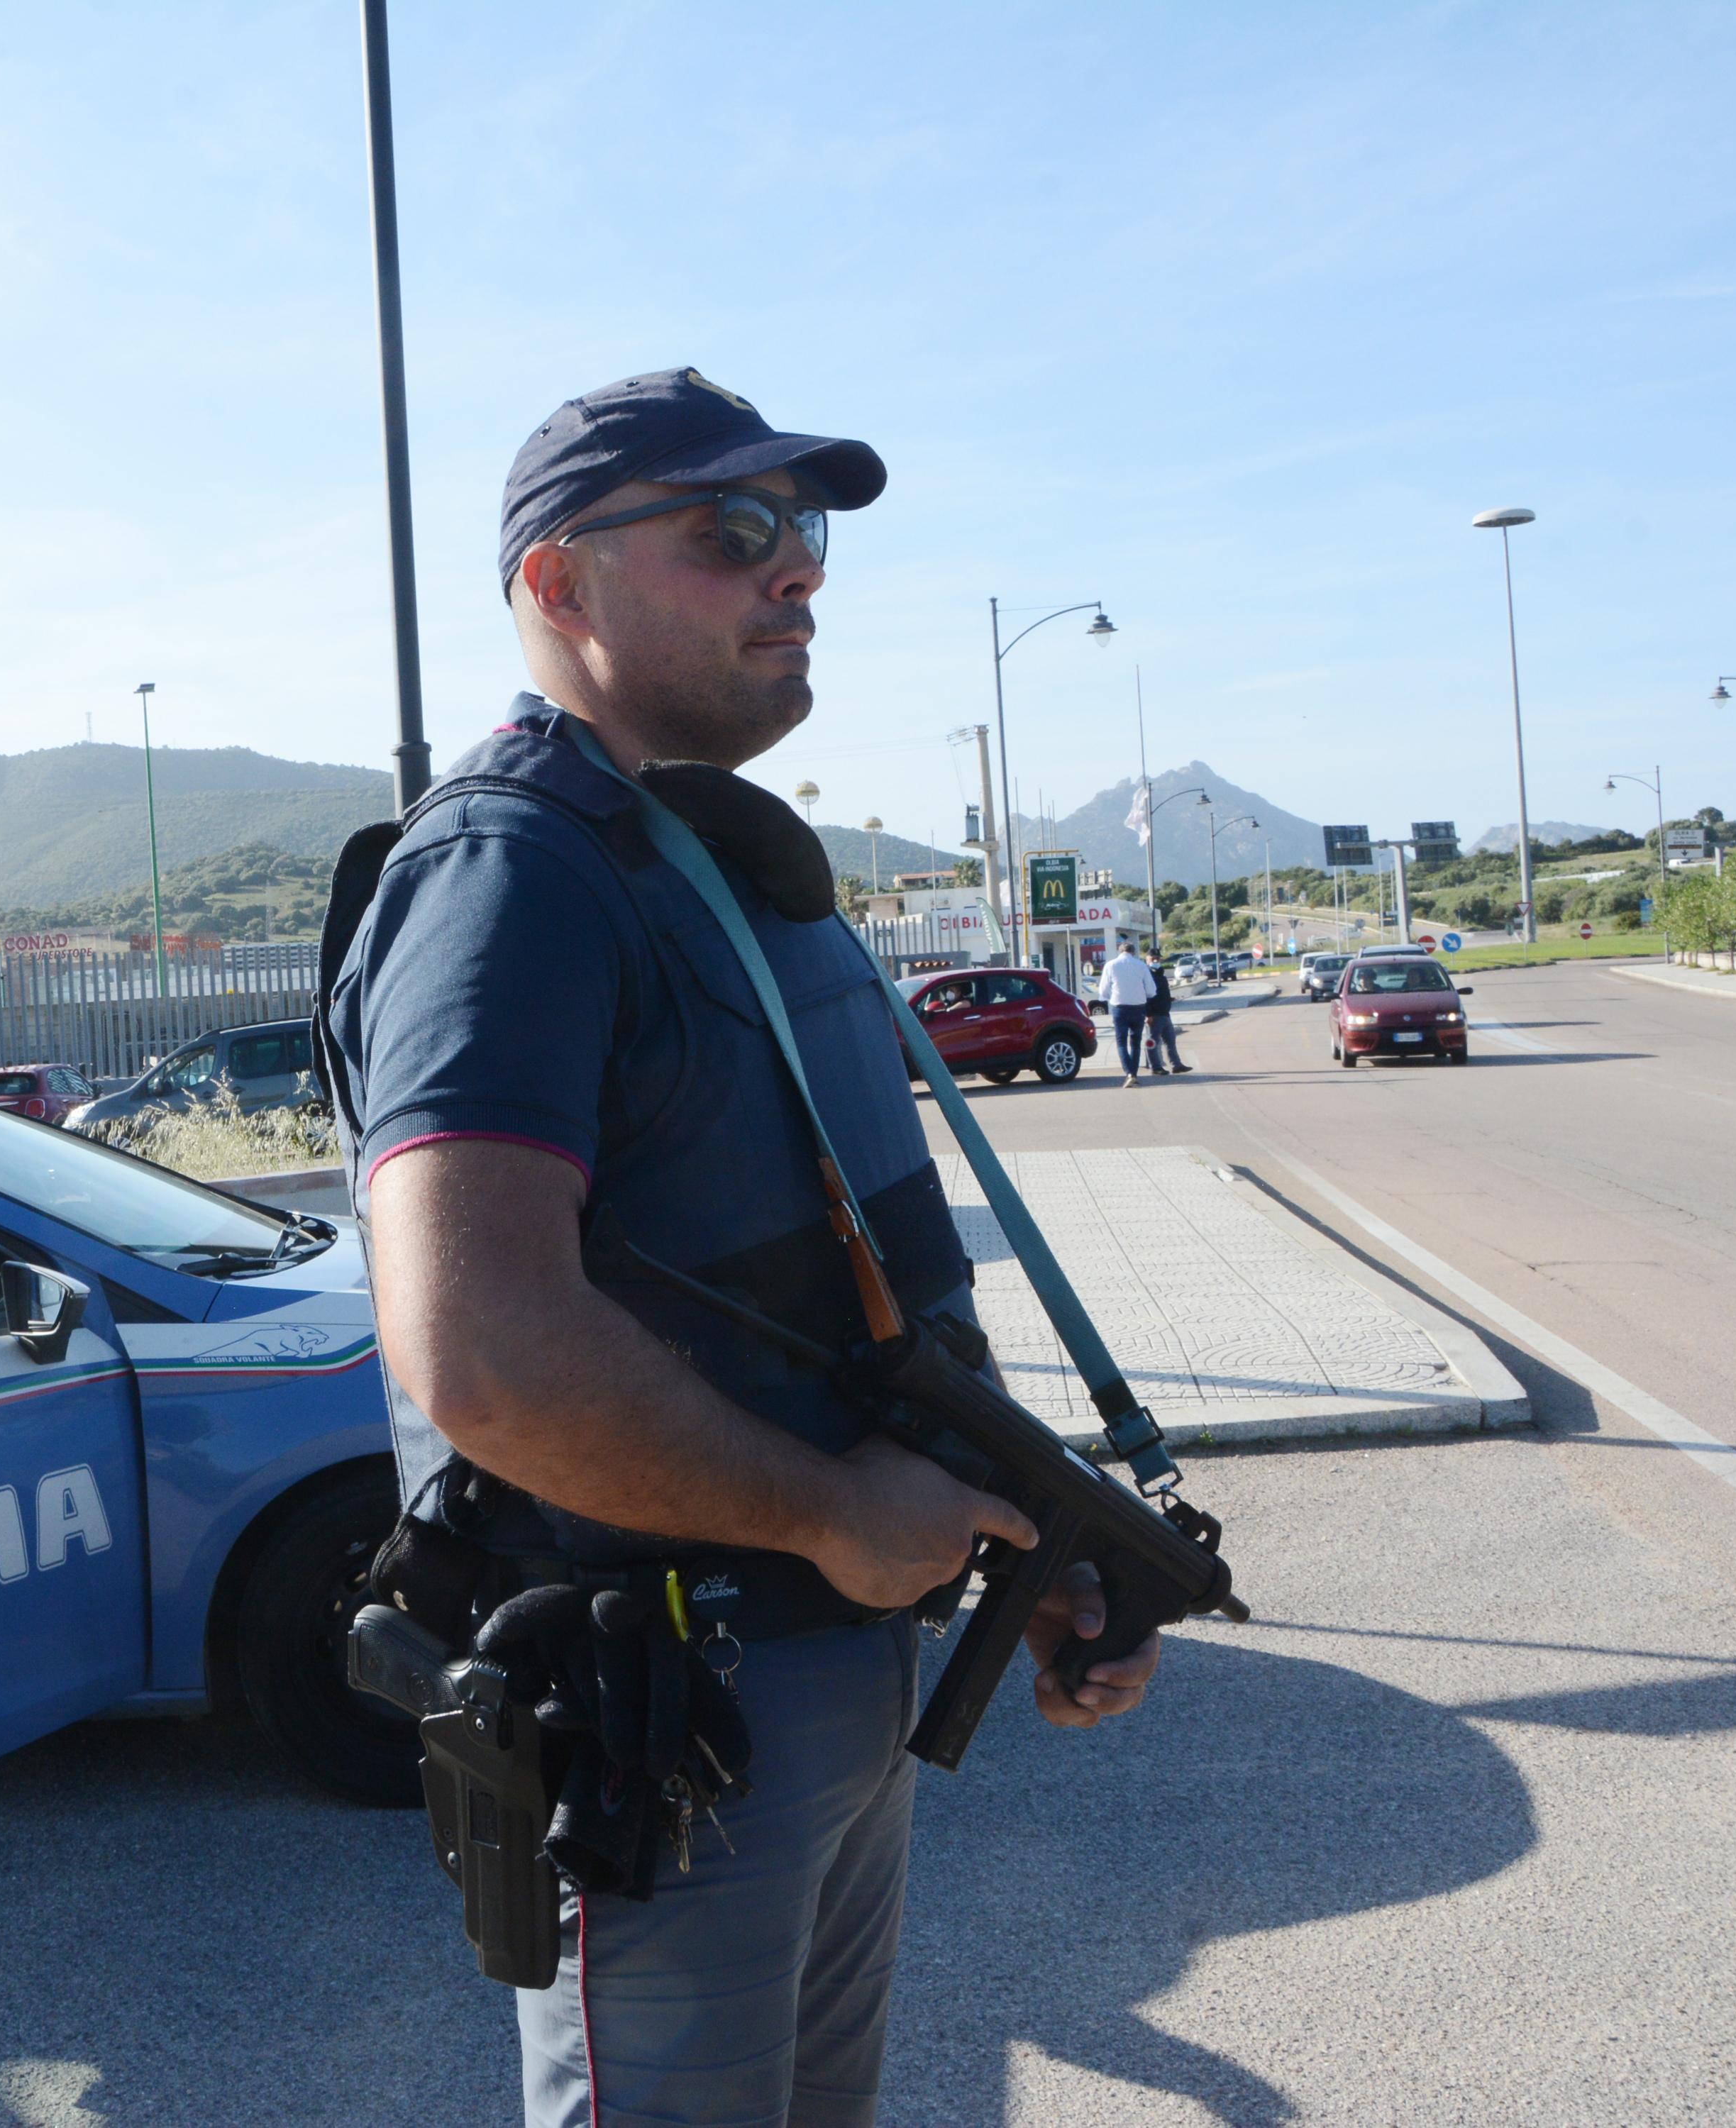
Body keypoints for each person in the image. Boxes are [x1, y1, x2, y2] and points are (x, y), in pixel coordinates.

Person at [326, 370, 1160, 2128]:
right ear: (558, 585)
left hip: (828, 1671)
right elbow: (478, 1349)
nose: (800, 573)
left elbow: (856, 1288)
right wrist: (831, 1511)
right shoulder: (509, 873)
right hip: (675, 1708)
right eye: (736, 531)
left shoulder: (704, 861)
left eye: (807, 531)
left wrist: (1031, 1530)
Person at [1095, 941, 1159, 1085]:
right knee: (1136, 1042)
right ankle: (1134, 1074)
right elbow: (1151, 991)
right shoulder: (1142, 966)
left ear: (1120, 951)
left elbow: (1104, 990)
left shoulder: (1111, 965)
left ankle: (1129, 1073)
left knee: (1121, 1042)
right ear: (1133, 952)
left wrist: (1111, 997)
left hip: (1120, 1007)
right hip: (1138, 1007)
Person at [1146, 954, 1192, 1076]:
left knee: (1171, 1040)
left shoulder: (1161, 975)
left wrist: (1169, 999)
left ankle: (1176, 1065)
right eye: (1153, 959)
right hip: (1155, 1015)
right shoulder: (1147, 975)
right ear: (1147, 960)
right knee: (1153, 1042)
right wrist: (1148, 1014)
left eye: (1158, 959)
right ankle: (1155, 1067)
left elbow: (1162, 993)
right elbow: (1146, 996)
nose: (1156, 961)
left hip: (1165, 1013)